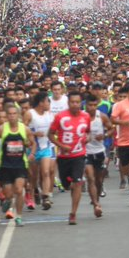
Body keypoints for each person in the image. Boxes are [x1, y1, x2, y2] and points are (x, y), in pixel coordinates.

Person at [48, 90, 91, 225]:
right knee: (67, 185)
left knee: (77, 183)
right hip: (64, 156)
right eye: (72, 102)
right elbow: (50, 134)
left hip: (79, 155)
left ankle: (73, 213)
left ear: (81, 103)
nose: (75, 104)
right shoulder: (60, 117)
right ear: (68, 103)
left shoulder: (86, 116)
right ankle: (70, 184)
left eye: (77, 102)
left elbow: (88, 132)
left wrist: (87, 139)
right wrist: (61, 145)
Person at [0, 103, 35, 227]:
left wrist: (31, 153)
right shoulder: (1, 129)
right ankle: (8, 200)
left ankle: (19, 216)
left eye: (14, 114)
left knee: (19, 190)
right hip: (5, 165)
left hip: (20, 164)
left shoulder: (24, 128)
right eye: (9, 114)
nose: (12, 116)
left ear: (18, 115)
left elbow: (33, 142)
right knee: (9, 194)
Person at [24, 91, 55, 210]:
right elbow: (22, 129)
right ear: (41, 103)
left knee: (46, 172)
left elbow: (54, 129)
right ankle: (31, 196)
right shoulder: (30, 114)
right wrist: (34, 133)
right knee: (33, 176)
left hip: (45, 147)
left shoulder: (49, 115)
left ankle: (45, 197)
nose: (49, 104)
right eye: (47, 101)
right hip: (32, 148)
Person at [84, 94, 113, 216]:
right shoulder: (82, 117)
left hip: (99, 152)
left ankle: (97, 198)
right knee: (90, 178)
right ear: (86, 105)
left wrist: (105, 135)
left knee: (99, 180)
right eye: (90, 105)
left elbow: (111, 129)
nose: (92, 107)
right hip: (86, 152)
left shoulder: (102, 116)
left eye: (94, 105)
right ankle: (96, 205)